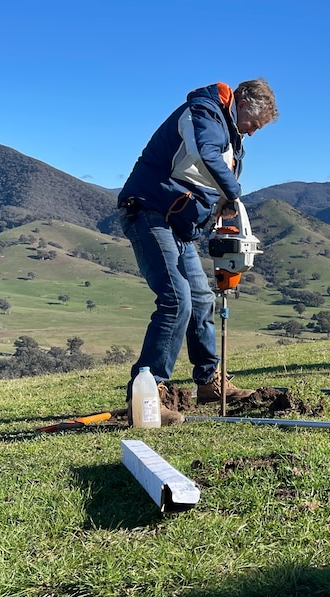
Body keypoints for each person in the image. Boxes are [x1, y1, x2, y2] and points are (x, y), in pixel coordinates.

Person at [117, 79, 278, 420]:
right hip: (148, 212)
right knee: (177, 299)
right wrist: (232, 193)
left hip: (178, 226)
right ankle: (147, 393)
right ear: (245, 103)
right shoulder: (204, 112)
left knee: (202, 299)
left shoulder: (229, 133)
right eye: (254, 124)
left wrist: (219, 201)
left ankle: (209, 382)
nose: (251, 133)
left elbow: (206, 174)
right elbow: (204, 153)